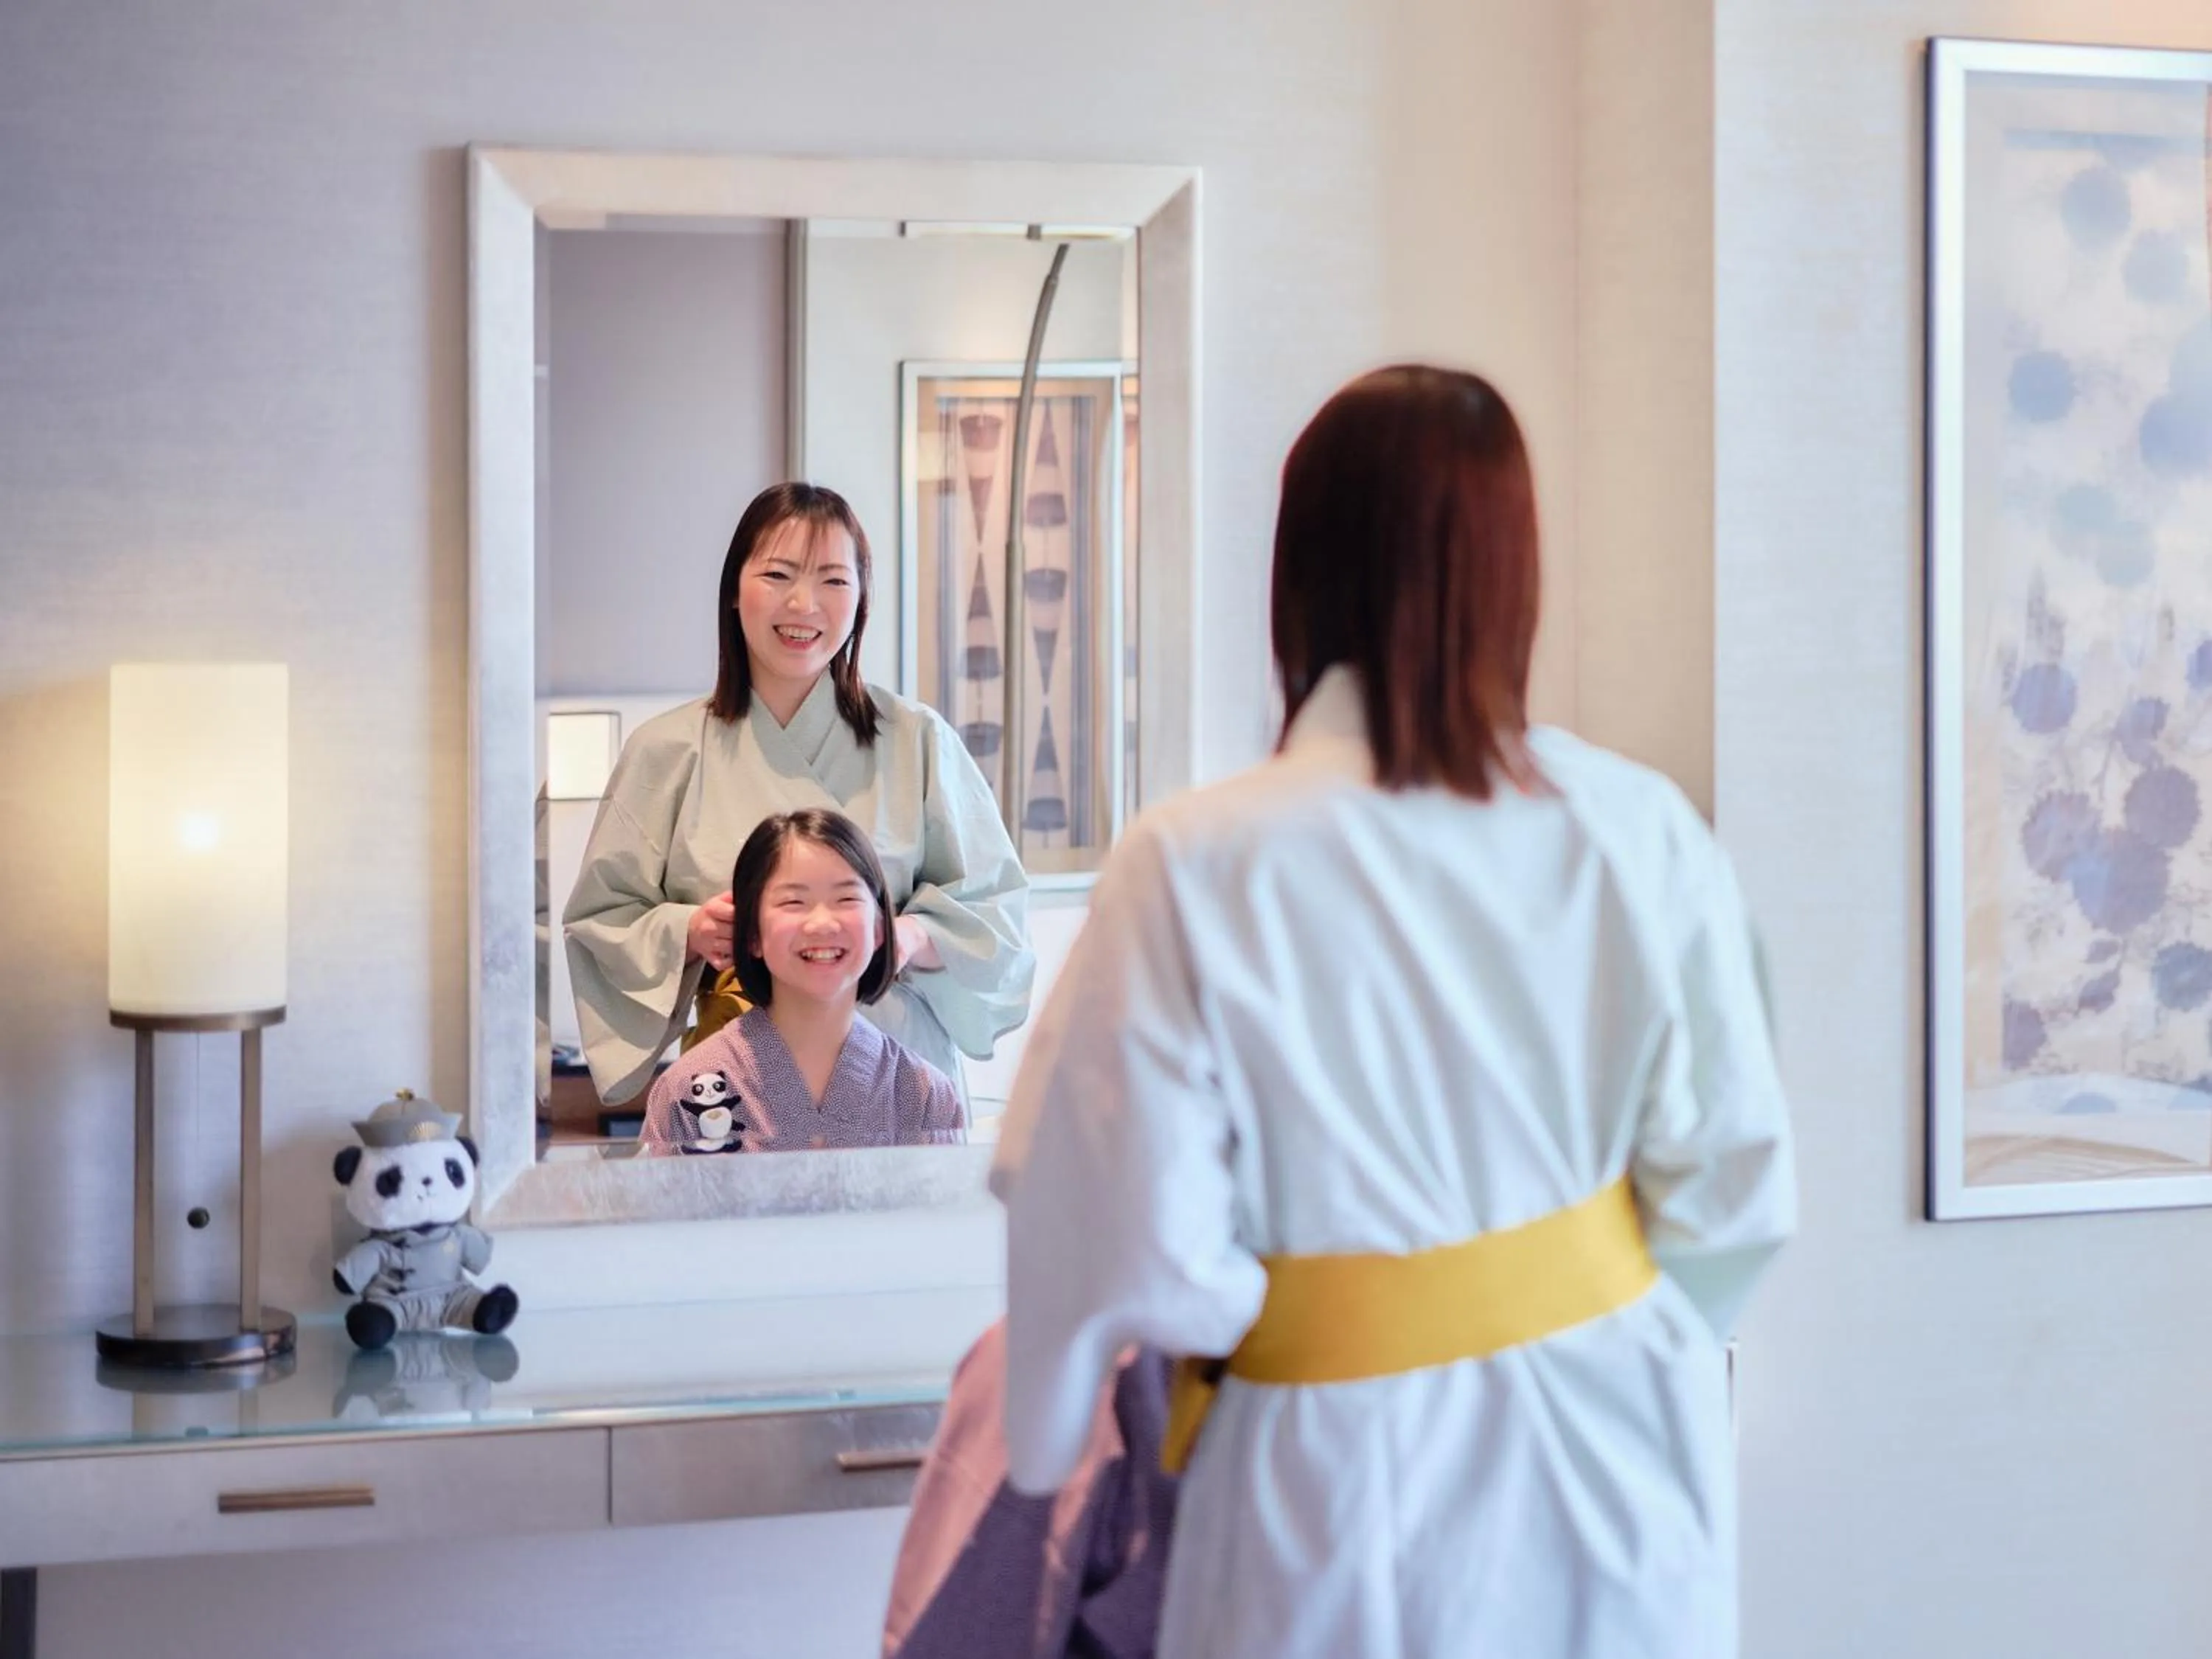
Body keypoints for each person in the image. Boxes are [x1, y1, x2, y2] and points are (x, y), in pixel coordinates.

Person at [990, 365, 1795, 1659]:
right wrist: (1593, 1328)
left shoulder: (1196, 859)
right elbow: (1738, 1186)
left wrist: (1068, 1414)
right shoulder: (1641, 829)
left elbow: (1122, 1225)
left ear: (1296, 574)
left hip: (1322, 1460)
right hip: (1620, 1456)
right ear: (1515, 575)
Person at [563, 481, 1034, 1109]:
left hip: (899, 1081)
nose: (803, 603)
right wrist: (690, 931)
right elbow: (600, 923)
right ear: (735, 589)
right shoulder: (665, 750)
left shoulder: (918, 740)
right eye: (779, 574)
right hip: (735, 1087)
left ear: (862, 599)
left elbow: (998, 917)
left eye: (834, 581)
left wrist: (905, 937)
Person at [639, 810, 965, 1153]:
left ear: (880, 929)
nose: (822, 923)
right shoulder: (689, 1090)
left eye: (847, 899)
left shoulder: (925, 1094)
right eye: (794, 901)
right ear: (752, 935)